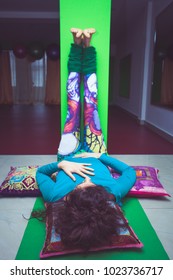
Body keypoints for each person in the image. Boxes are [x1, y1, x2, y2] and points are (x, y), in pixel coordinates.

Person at [36, 28, 136, 252]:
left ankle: (75, 43)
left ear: (69, 203)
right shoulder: (113, 194)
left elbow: (40, 173)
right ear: (103, 202)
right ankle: (87, 44)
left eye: (79, 188)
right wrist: (99, 156)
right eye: (90, 187)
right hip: (95, 149)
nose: (84, 182)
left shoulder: (56, 196)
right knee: (90, 100)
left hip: (68, 153)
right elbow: (130, 173)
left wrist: (61, 164)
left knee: (74, 101)